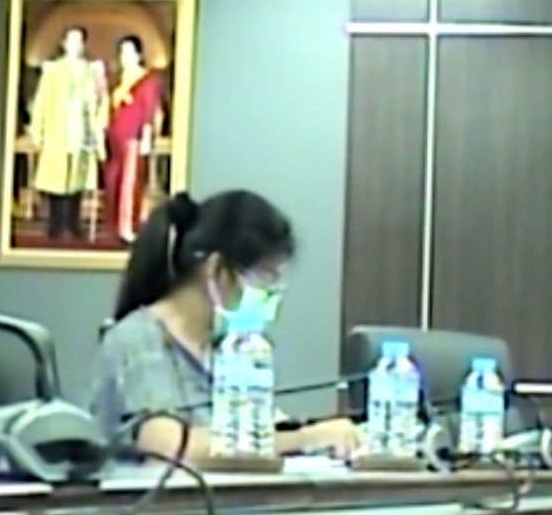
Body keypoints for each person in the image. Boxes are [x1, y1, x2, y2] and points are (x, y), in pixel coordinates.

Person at [90, 189, 361, 460]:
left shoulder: (223, 346)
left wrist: (319, 434)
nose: (271, 291)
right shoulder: (139, 338)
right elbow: (169, 448)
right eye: (266, 275)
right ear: (215, 268)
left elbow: (260, 429)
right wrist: (305, 438)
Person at [26, 26, 107, 241]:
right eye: (71, 40)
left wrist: (97, 126)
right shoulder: (53, 70)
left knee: (76, 180)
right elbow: (42, 100)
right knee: (57, 179)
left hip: (81, 130)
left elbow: (100, 101)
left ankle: (73, 223)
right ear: (64, 44)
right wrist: (37, 130)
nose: (75, 45)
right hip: (58, 129)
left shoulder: (90, 70)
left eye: (79, 41)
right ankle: (56, 224)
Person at [104, 35, 165, 243]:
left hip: (133, 138)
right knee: (114, 181)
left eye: (130, 52)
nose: (125, 57)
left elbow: (150, 110)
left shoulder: (147, 80)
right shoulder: (118, 80)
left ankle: (128, 227)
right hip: (115, 139)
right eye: (123, 52)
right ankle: (115, 226)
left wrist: (147, 135)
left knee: (129, 184)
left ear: (139, 55)